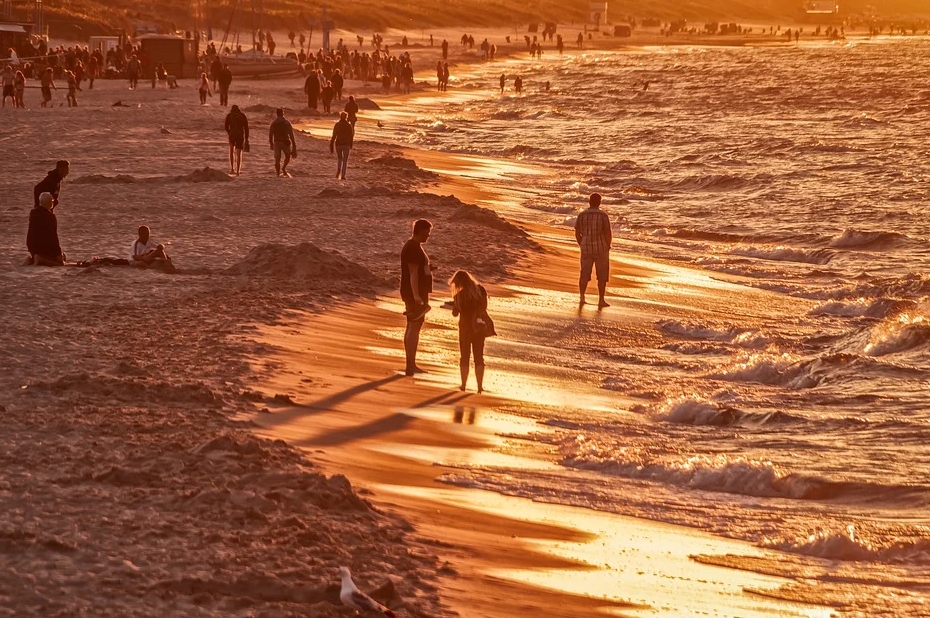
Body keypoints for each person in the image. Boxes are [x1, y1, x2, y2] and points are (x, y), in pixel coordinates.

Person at [400, 219, 433, 376]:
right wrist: (417, 297)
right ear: (419, 231)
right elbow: (413, 274)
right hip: (414, 293)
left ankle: (411, 363)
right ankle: (410, 365)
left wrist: (428, 268)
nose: (428, 235)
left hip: (415, 292)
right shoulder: (413, 248)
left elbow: (417, 270)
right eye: (427, 232)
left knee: (413, 326)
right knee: (414, 326)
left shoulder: (415, 247)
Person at [449, 270, 491, 393]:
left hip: (465, 329)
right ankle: (479, 386)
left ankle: (463, 385)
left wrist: (453, 305)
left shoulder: (459, 295)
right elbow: (484, 308)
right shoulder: (481, 291)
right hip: (478, 327)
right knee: (479, 357)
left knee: (465, 357)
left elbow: (455, 313)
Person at [574, 193, 612, 308]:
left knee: (584, 273)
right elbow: (607, 232)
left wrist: (581, 243)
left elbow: (577, 232)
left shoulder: (582, 215)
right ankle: (601, 300)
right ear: (599, 202)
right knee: (602, 275)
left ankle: (582, 297)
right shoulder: (603, 215)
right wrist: (608, 245)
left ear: (589, 202)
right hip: (601, 249)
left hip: (586, 248)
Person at [26, 192, 66, 266]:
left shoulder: (33, 213)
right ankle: (40, 259)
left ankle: (33, 259)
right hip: (44, 248)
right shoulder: (50, 217)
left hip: (32, 247)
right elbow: (53, 237)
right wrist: (58, 253)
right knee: (60, 262)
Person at [268, 107, 296, 177]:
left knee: (277, 159)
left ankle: (277, 174)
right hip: (285, 142)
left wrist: (271, 143)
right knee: (287, 156)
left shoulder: (274, 123)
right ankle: (283, 168)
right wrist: (294, 145)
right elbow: (291, 134)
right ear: (283, 113)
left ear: (277, 114)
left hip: (277, 142)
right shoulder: (287, 123)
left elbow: (270, 134)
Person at [224, 104, 249, 176]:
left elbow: (226, 126)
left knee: (231, 151)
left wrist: (229, 133)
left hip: (232, 135)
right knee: (239, 153)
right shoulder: (242, 115)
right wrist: (247, 138)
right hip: (240, 135)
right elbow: (246, 127)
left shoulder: (229, 115)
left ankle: (232, 169)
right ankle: (238, 171)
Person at [330, 111, 354, 180]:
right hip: (346, 144)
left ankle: (338, 169)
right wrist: (351, 144)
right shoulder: (349, 125)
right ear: (346, 117)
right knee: (345, 160)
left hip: (338, 144)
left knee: (339, 158)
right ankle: (343, 175)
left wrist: (331, 144)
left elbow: (334, 135)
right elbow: (351, 136)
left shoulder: (337, 125)